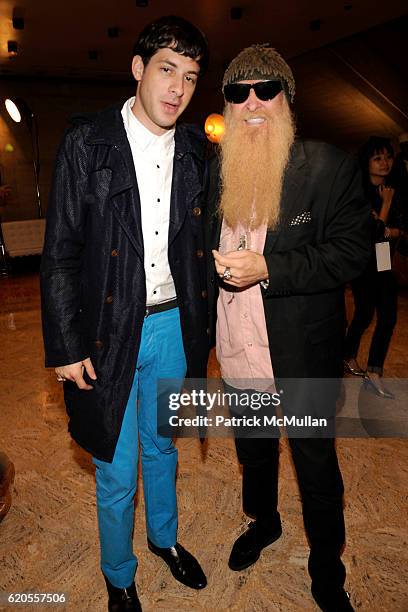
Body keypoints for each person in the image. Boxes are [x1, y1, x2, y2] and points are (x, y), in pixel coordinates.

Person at [41, 16, 209, 612]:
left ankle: (164, 540)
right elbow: (60, 251)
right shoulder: (88, 142)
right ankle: (119, 576)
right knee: (115, 464)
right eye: (166, 70)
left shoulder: (195, 151)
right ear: (138, 69)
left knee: (163, 448)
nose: (176, 89)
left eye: (189, 78)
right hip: (108, 329)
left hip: (171, 326)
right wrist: (65, 345)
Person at [205, 44, 370, 611]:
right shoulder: (216, 173)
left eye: (265, 89)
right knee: (254, 452)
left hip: (298, 358)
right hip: (237, 353)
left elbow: (352, 253)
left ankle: (329, 564)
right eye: (237, 91)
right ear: (225, 103)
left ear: (287, 99)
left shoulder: (327, 166)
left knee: (314, 462)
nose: (251, 101)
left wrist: (270, 267)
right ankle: (265, 521)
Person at [344, 137, 408, 397]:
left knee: (388, 315)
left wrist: (393, 230)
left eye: (388, 157)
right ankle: (347, 355)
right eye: (377, 158)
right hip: (361, 261)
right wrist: (386, 206)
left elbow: (398, 232)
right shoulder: (359, 194)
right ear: (366, 162)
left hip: (382, 258)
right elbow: (372, 233)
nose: (385, 163)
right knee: (363, 314)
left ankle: (374, 371)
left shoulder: (395, 189)